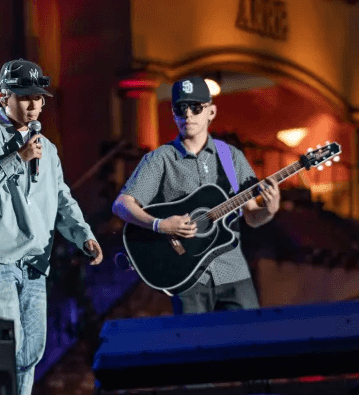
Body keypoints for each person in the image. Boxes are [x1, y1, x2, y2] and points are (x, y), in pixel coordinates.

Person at [0, 59, 103, 395]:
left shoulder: (46, 149)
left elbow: (61, 196)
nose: (34, 105)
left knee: (31, 348)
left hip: (33, 259)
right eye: (24, 98)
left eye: (39, 98)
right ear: (4, 97)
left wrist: (83, 234)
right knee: (6, 340)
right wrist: (16, 158)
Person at [112, 75, 280, 314]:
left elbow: (252, 217)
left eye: (196, 107)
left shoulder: (231, 157)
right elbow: (121, 204)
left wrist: (269, 209)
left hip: (233, 273)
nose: (188, 114)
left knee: (248, 343)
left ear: (211, 112)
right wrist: (161, 225)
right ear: (173, 114)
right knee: (197, 346)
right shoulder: (160, 159)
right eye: (180, 108)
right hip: (187, 276)